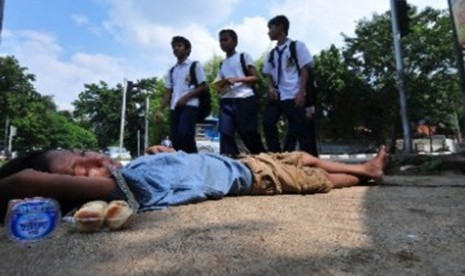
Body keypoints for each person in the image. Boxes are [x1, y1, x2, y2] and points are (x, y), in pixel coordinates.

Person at [0, 145, 389, 222]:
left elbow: (177, 166)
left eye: (83, 152)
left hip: (235, 161)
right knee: (315, 179)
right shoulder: (123, 190)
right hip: (251, 178)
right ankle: (363, 176)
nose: (94, 162)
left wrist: (161, 152)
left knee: (301, 155)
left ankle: (367, 169)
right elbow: (21, 180)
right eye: (81, 172)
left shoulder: (132, 168)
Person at [262, 15, 316, 154]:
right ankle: (277, 155)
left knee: (300, 130)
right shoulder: (272, 53)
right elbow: (268, 73)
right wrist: (270, 88)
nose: (268, 32)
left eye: (270, 28)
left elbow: (305, 68)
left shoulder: (297, 46)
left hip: (293, 94)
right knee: (268, 122)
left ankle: (312, 162)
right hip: (278, 96)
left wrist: (301, 91)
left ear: (280, 27)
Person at [213, 29, 265, 156]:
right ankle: (230, 161)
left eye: (226, 39)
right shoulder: (222, 64)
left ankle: (262, 156)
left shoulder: (243, 57)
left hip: (245, 98)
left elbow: (256, 77)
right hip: (227, 100)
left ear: (235, 42)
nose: (222, 43)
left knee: (247, 132)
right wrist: (220, 87)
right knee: (225, 133)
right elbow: (217, 83)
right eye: (220, 40)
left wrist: (237, 79)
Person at [152, 36, 208, 153]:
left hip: (190, 106)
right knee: (176, 140)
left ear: (188, 50)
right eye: (174, 47)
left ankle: (194, 162)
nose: (176, 48)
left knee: (185, 135)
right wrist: (160, 110)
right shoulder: (172, 71)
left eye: (179, 45)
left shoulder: (194, 66)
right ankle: (182, 165)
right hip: (174, 109)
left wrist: (185, 98)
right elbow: (168, 93)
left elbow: (203, 86)